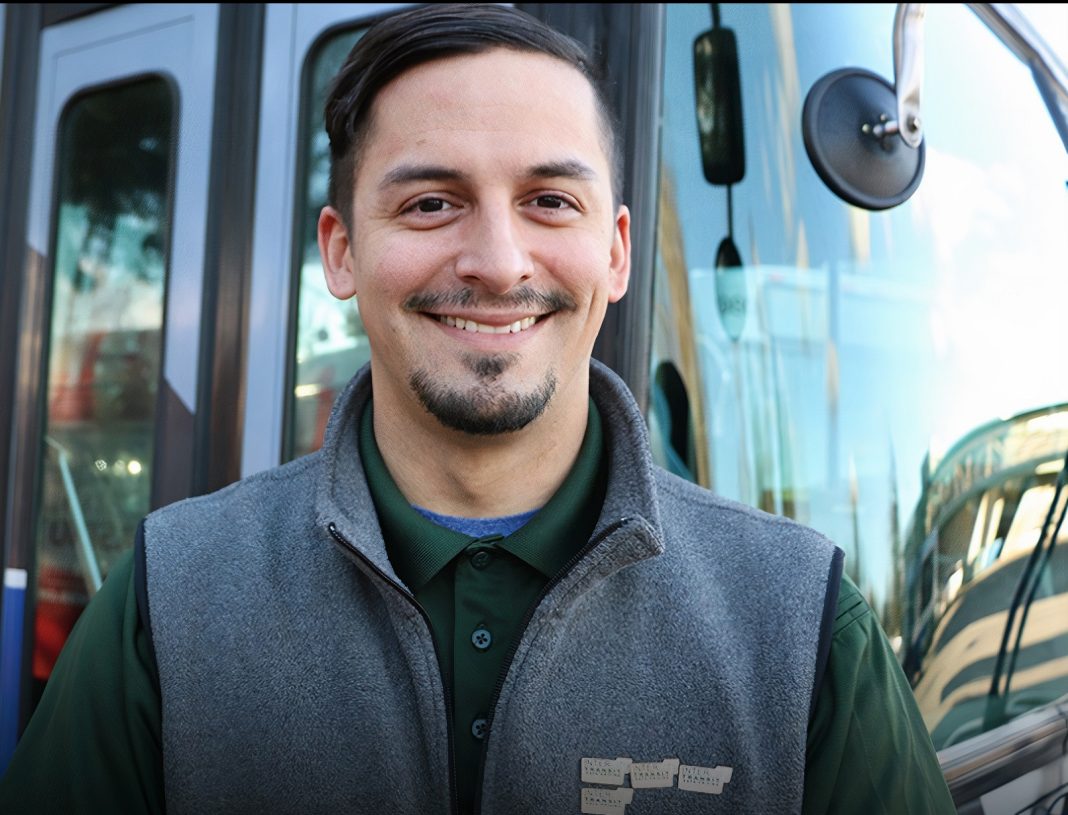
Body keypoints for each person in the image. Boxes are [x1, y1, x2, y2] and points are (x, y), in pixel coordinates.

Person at [0, 4, 956, 813]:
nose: (498, 262)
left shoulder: (805, 625)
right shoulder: (165, 604)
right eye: (429, 204)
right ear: (340, 251)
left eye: (549, 200)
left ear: (616, 253)